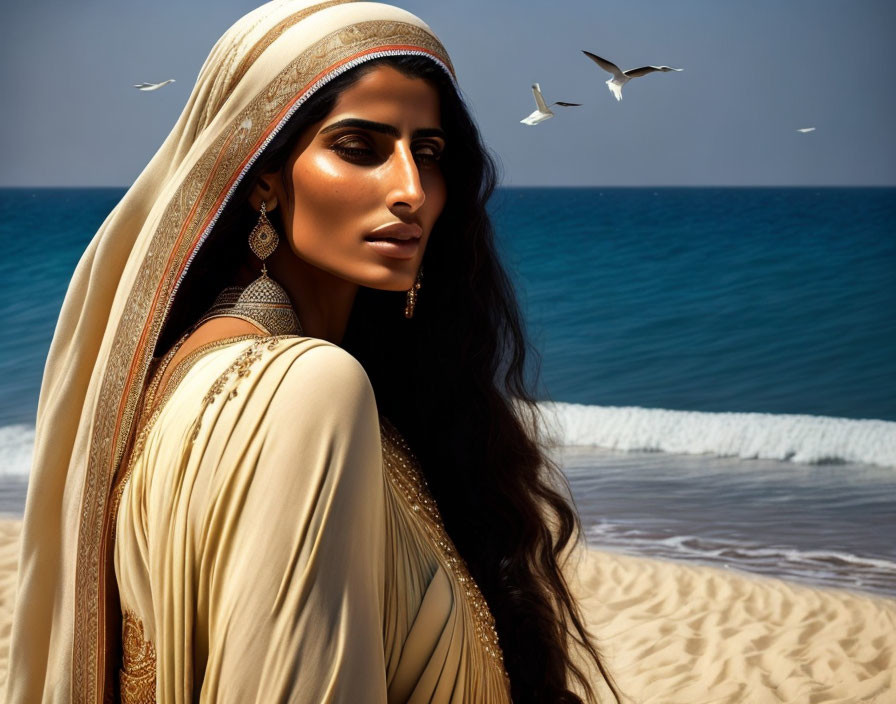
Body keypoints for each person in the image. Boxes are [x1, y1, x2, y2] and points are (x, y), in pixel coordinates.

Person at [7, 1, 618, 702]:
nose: (411, 191)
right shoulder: (299, 389)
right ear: (262, 174)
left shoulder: (221, 372)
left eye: (429, 153)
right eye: (360, 148)